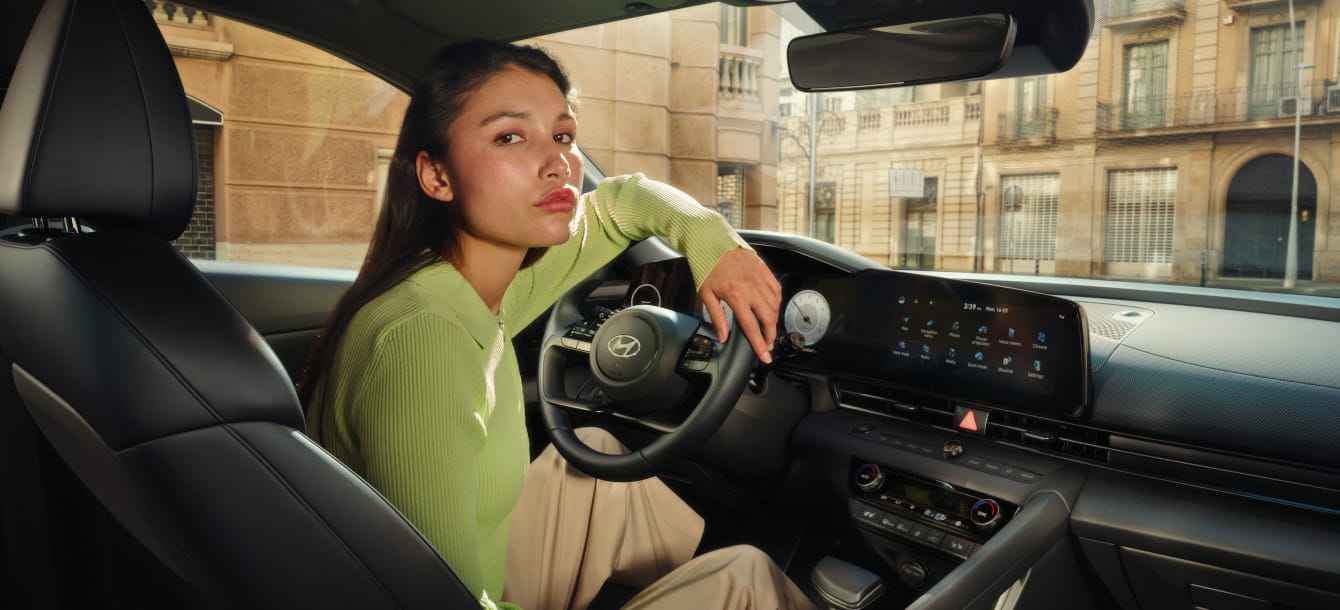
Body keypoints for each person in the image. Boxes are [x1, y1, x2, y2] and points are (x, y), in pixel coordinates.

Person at [300, 39, 816, 610]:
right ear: (436, 175)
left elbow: (626, 203)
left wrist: (714, 244)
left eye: (563, 135)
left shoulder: (466, 285)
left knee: (593, 457)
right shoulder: (425, 339)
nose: (558, 163)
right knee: (742, 579)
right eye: (510, 137)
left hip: (467, 567)